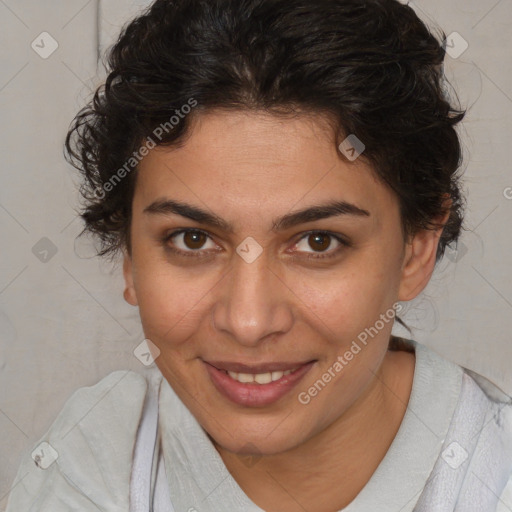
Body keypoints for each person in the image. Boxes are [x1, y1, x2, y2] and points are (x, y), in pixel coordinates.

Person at [6, 0, 512, 510]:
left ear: (415, 250)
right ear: (130, 256)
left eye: (319, 241)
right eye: (192, 239)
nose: (248, 322)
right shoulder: (94, 459)